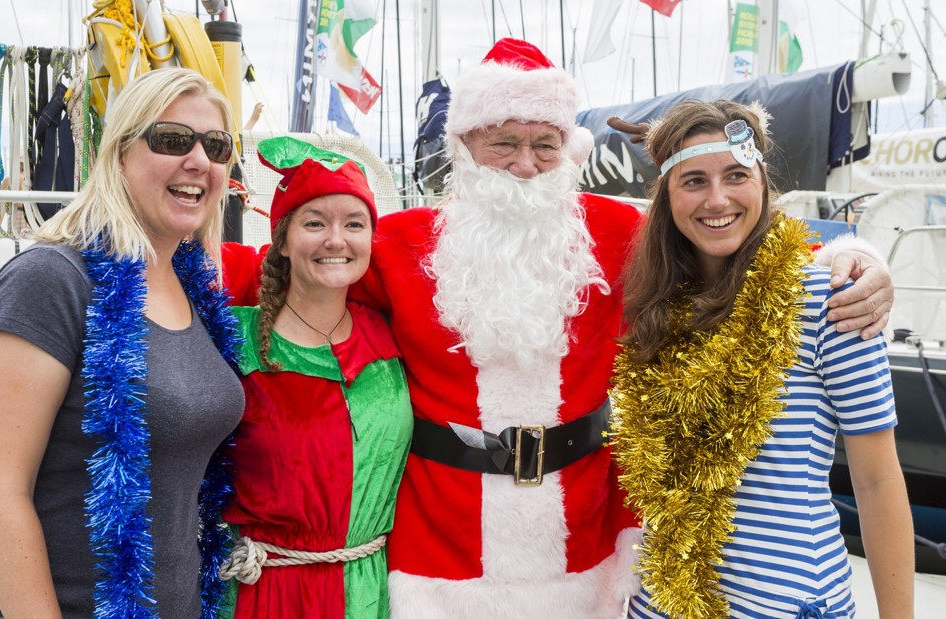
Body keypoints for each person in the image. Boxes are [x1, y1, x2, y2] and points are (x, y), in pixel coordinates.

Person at [219, 39, 895, 619]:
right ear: (464, 146)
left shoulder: (617, 233)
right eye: (504, 142)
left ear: (568, 149)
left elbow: (737, 245)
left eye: (544, 144)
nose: (524, 163)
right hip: (441, 546)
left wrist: (850, 256)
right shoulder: (399, 244)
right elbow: (266, 268)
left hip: (587, 537)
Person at [0, 67, 245, 619]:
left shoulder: (195, 288)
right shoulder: (50, 280)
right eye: (171, 139)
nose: (199, 160)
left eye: (216, 145)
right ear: (118, 156)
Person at [610, 99, 913, 619]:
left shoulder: (829, 298)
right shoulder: (656, 310)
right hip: (660, 602)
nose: (718, 198)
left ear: (763, 182)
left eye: (735, 175)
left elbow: (877, 482)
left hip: (783, 603)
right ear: (666, 197)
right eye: (694, 181)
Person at [216, 139, 413, 619]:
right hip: (266, 593)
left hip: (370, 592)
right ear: (281, 240)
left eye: (354, 224)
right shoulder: (233, 340)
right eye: (314, 223)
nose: (335, 240)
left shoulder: (391, 333)